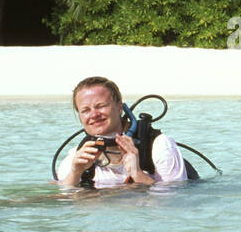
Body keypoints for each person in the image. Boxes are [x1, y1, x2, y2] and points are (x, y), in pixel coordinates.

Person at [56, 77, 187, 188]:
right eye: (85, 110)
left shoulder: (159, 146)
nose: (94, 114)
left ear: (119, 108)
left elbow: (175, 202)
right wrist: (75, 173)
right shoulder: (75, 157)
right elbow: (62, 204)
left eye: (101, 106)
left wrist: (137, 174)